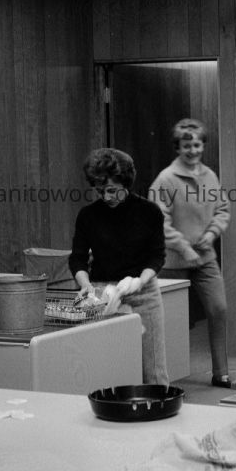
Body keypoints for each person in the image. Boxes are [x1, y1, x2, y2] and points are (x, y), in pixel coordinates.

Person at [69, 147, 170, 386]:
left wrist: (139, 281)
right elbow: (78, 258)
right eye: (100, 190)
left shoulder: (149, 212)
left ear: (126, 183)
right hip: (102, 295)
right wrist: (85, 286)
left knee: (153, 371)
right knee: (105, 369)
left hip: (143, 294)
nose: (106, 197)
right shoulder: (88, 216)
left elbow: (156, 257)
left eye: (112, 190)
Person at [149, 118, 232, 388]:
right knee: (171, 320)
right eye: (186, 146)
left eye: (196, 145)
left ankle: (221, 373)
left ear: (202, 146)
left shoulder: (210, 176)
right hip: (173, 262)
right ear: (178, 148)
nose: (192, 150)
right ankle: (167, 379)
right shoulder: (165, 180)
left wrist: (212, 233)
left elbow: (222, 210)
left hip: (205, 258)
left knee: (219, 309)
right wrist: (184, 248)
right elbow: (159, 222)